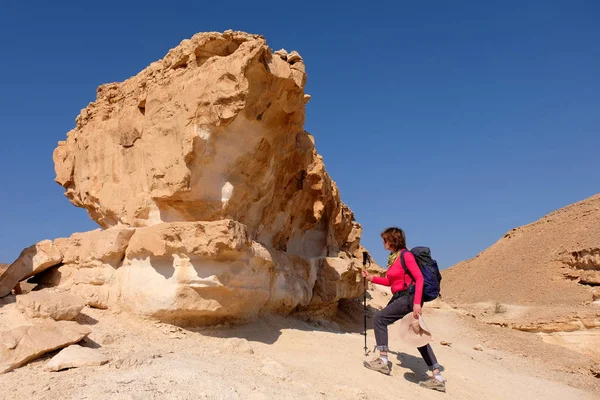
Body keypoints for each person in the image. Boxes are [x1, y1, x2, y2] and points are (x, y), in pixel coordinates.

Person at [361, 227, 446, 392]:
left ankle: (383, 361)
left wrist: (416, 303)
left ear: (393, 239)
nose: (383, 243)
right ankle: (437, 377)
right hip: (401, 297)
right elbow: (390, 282)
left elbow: (419, 279)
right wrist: (371, 278)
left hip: (408, 298)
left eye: (385, 240)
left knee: (379, 319)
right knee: (417, 335)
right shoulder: (394, 259)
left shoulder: (406, 255)